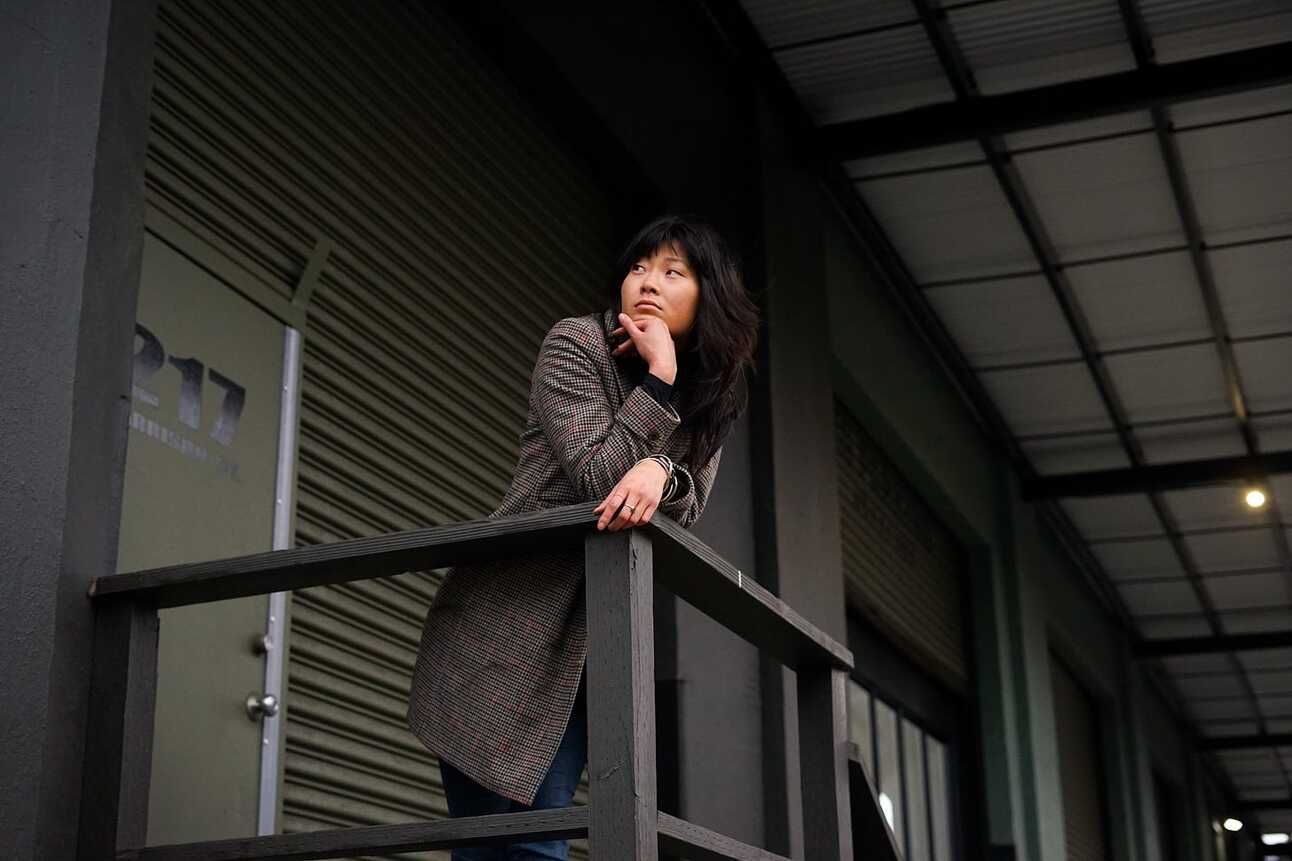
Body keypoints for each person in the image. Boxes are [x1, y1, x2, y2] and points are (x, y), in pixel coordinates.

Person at [405, 214, 759, 860]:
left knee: (522, 849)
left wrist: (663, 468)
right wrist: (657, 383)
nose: (648, 282)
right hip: (505, 638)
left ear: (711, 295)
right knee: (521, 850)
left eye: (673, 272)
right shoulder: (575, 346)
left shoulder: (714, 396)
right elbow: (600, 479)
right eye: (639, 267)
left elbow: (691, 500)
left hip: (584, 654)